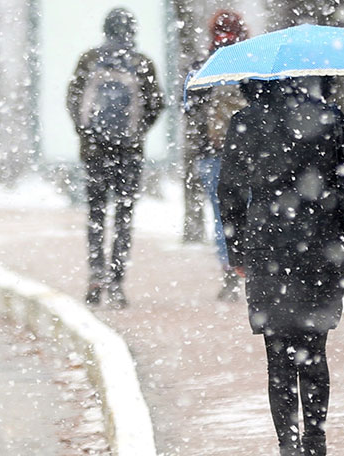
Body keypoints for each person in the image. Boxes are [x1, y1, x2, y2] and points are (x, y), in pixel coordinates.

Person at [218, 77, 344, 456]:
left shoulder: (245, 121)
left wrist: (237, 252)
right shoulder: (328, 117)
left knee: (278, 354)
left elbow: (230, 191)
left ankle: (288, 444)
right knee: (315, 351)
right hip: (321, 246)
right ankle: (315, 441)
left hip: (268, 249)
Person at [66, 8, 164, 308]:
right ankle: (118, 281)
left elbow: (73, 99)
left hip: (95, 152)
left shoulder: (89, 60)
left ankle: (96, 274)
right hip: (128, 153)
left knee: (96, 215)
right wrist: (136, 133)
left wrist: (87, 134)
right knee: (124, 216)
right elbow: (157, 104)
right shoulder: (141, 63)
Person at [184, 10, 249, 302]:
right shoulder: (252, 65)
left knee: (222, 216)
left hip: (212, 153)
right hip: (249, 155)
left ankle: (229, 271)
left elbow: (188, 105)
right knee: (252, 212)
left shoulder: (203, 66)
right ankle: (255, 267)